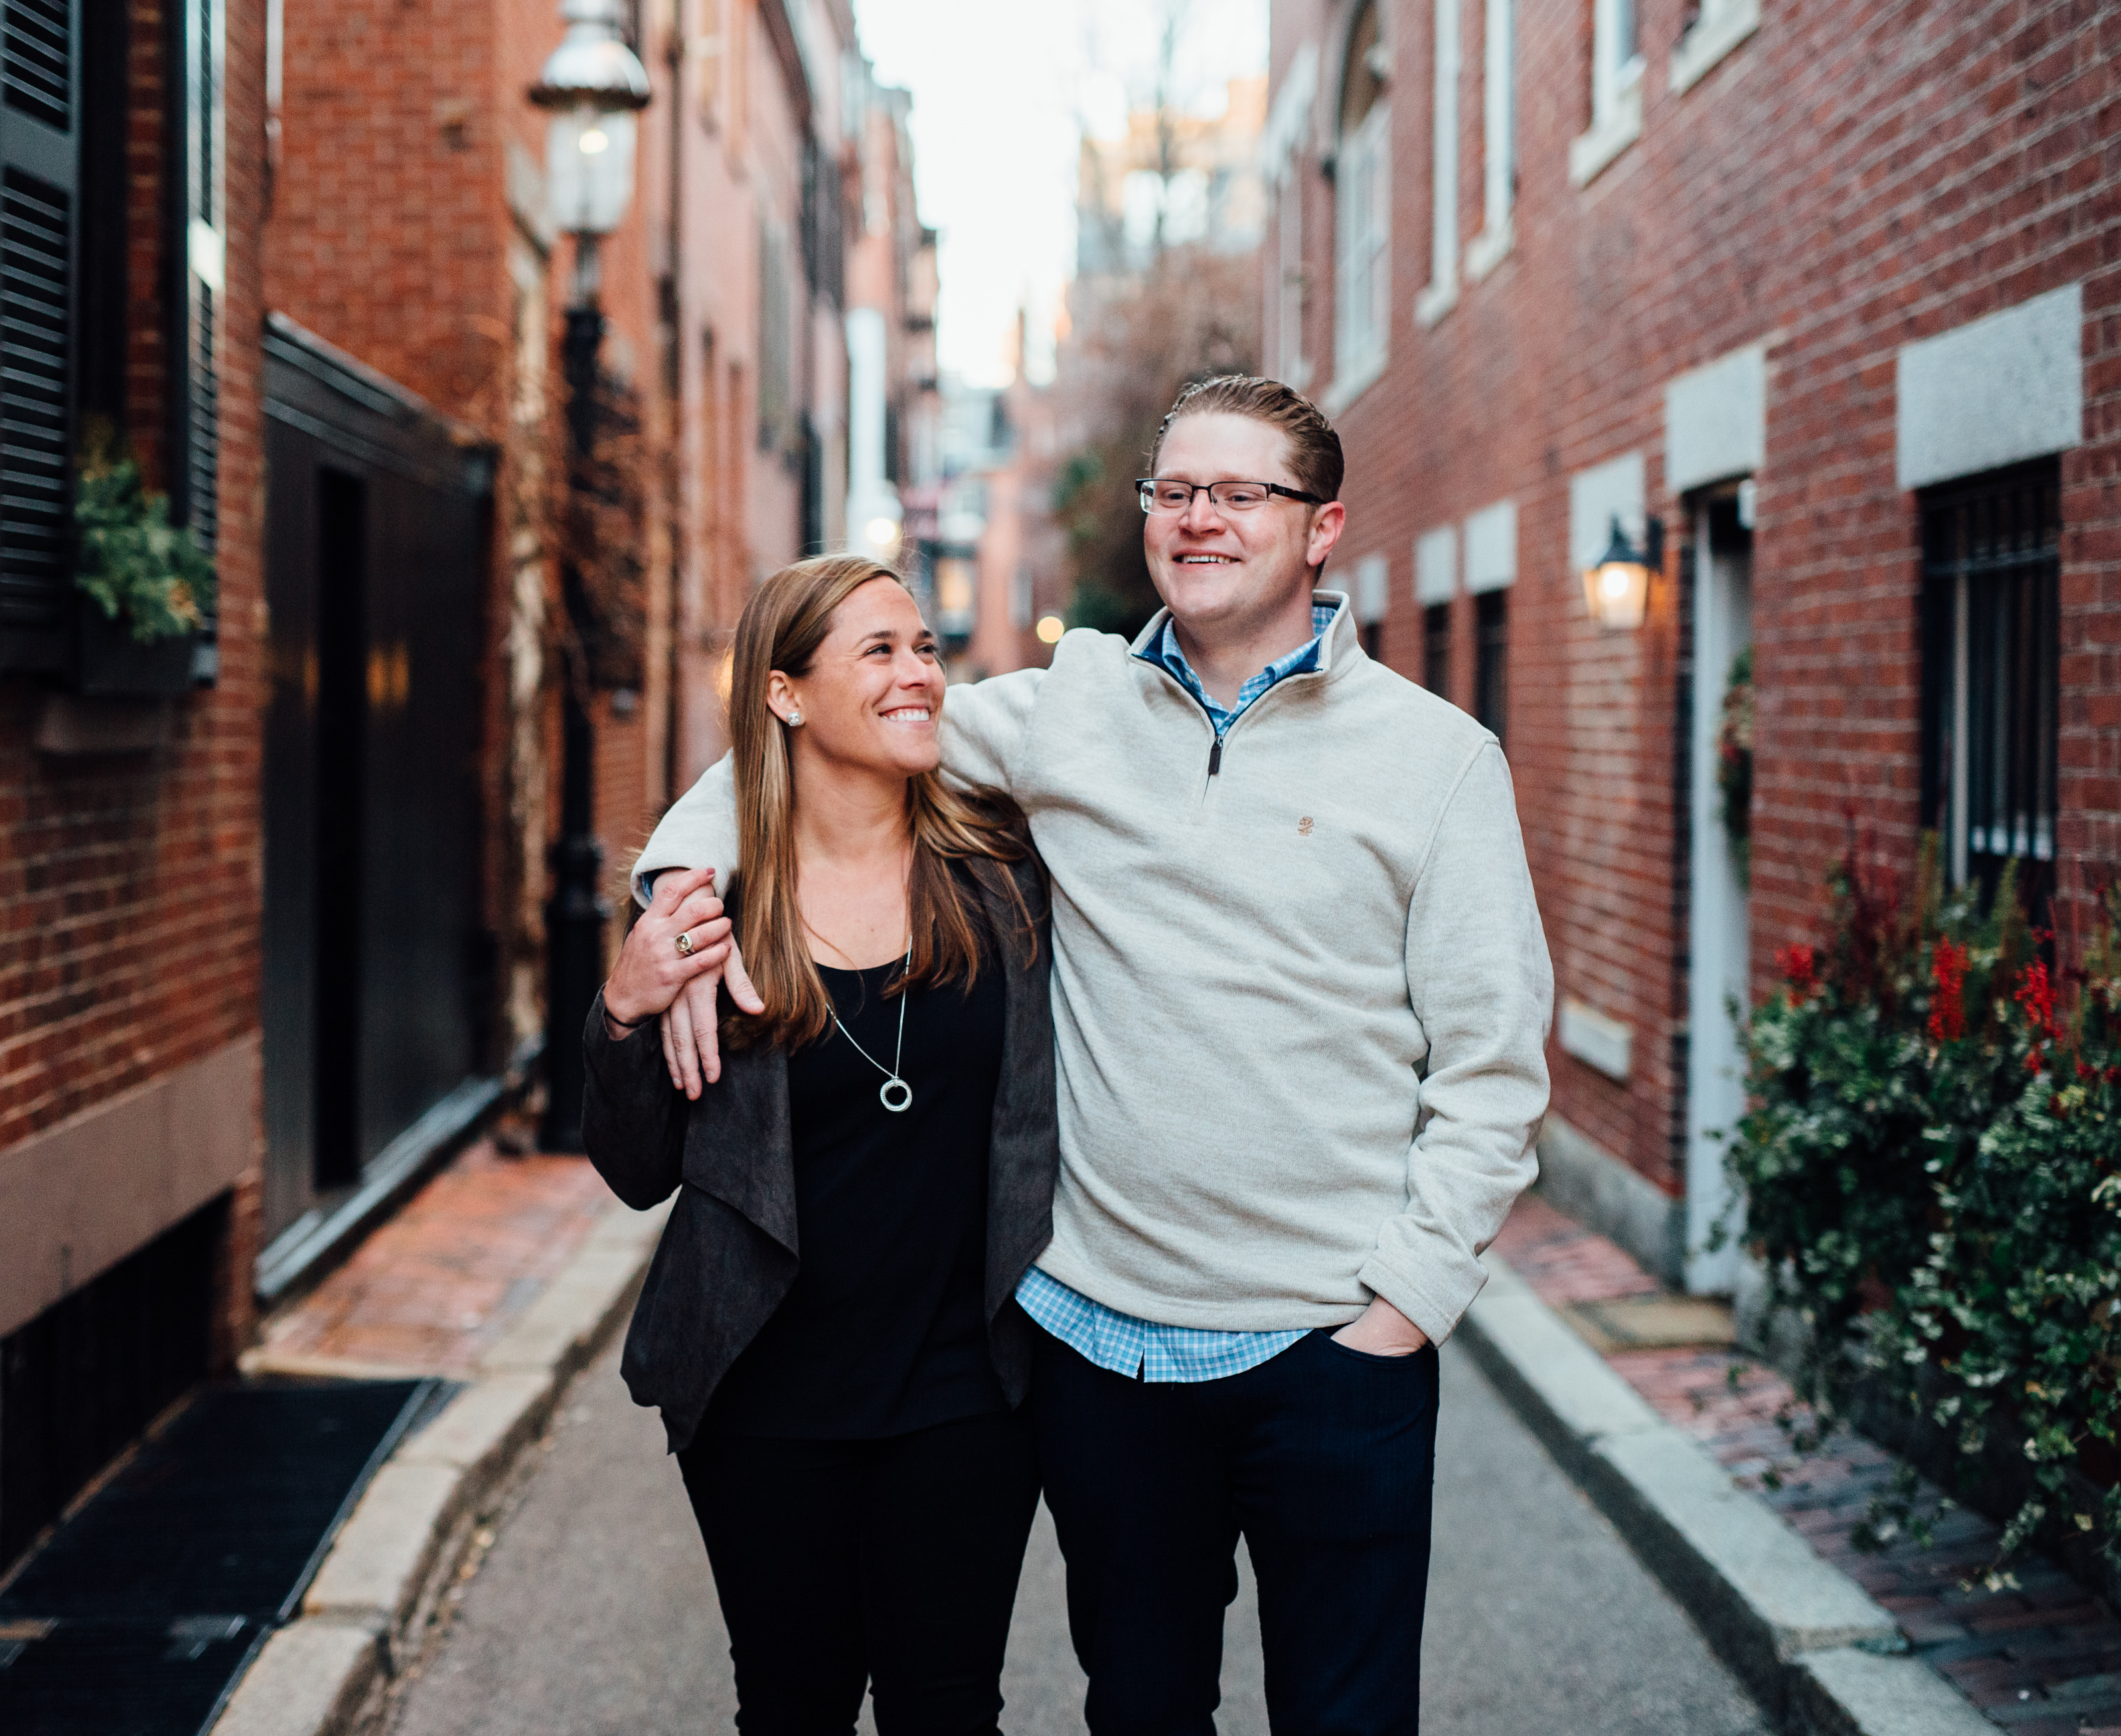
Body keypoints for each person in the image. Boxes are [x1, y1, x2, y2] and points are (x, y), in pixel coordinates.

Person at [633, 376, 1555, 1736]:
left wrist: (1403, 1306)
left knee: (1348, 1720)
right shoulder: (1068, 709)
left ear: (1322, 529)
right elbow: (820, 750)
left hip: (1331, 1345)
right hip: (1105, 1345)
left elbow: (1493, 1068)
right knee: (1138, 1711)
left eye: (1240, 494)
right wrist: (671, 886)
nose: (1198, 520)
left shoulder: (1438, 761)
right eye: (1174, 492)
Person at [582, 553, 1058, 1736]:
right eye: (880, 652)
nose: (919, 676)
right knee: (791, 1707)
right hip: (762, 1390)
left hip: (965, 1387)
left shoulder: (1003, 876)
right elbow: (637, 1170)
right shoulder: (711, 912)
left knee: (948, 1710)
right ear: (785, 695)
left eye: (926, 649)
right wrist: (627, 1009)